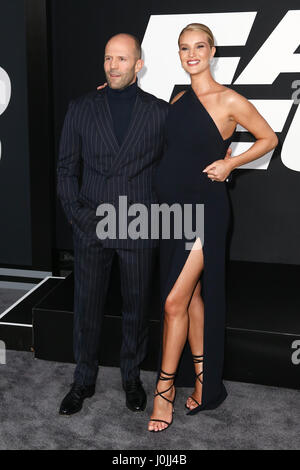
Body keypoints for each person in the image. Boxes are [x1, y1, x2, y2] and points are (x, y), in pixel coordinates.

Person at [148, 23, 278, 432]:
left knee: (173, 302)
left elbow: (268, 138)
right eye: (184, 48)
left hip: (206, 210)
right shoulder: (179, 99)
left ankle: (164, 392)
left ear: (212, 50)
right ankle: (206, 385)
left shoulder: (229, 99)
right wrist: (113, 89)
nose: (191, 54)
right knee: (191, 298)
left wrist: (230, 164)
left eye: (199, 47)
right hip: (171, 211)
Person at [56, 33, 170, 415]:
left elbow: (174, 164)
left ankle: (131, 378)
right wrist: (77, 216)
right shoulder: (81, 107)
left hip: (139, 222)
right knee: (86, 305)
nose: (113, 65)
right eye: (108, 58)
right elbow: (66, 168)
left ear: (138, 65)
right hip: (91, 221)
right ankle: (83, 380)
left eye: (122, 59)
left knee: (136, 306)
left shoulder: (158, 112)